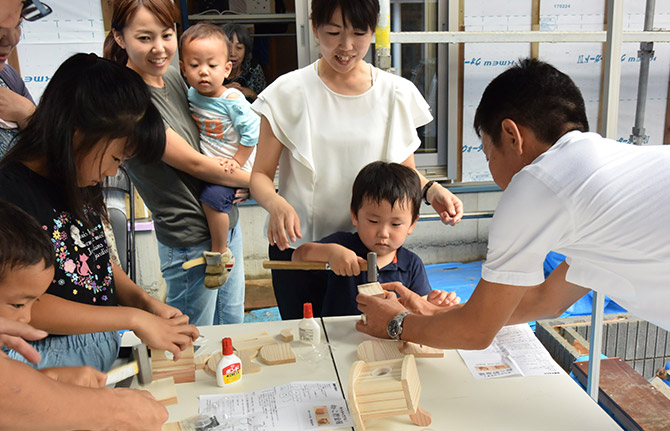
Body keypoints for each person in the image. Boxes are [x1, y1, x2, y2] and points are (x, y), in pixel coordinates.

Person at [356, 58, 670, 348]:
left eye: (488, 154)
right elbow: (546, 300)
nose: (492, 169)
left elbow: (476, 332)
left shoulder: (539, 184)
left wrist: (396, 323)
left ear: (511, 135)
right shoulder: (596, 175)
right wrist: (430, 313)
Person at [250, 0, 464, 319]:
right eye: (334, 32)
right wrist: (276, 204)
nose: (346, 46)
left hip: (372, 251)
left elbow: (405, 174)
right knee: (309, 342)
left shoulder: (395, 94)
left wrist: (432, 190)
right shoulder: (288, 92)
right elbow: (260, 175)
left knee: (370, 340)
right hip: (304, 250)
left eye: (359, 33)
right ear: (314, 28)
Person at [0, 53, 199, 371]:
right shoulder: (10, 194)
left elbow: (97, 260)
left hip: (96, 345)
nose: (111, 172)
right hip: (45, 359)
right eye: (116, 157)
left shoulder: (76, 179)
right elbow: (20, 308)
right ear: (79, 133)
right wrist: (132, 317)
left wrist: (143, 302)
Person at [104, 0, 248, 325]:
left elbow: (215, 126)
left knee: (233, 328)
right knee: (192, 342)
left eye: (166, 35)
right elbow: (194, 164)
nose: (159, 48)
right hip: (189, 241)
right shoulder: (129, 99)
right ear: (120, 37)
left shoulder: (174, 76)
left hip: (226, 221)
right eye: (144, 38)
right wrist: (257, 183)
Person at [292, 162, 460, 316]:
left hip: (389, 342)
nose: (383, 233)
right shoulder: (342, 246)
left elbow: (419, 307)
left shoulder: (411, 265)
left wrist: (432, 304)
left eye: (396, 224)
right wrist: (330, 253)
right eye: (373, 221)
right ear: (355, 215)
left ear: (412, 224)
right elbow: (298, 256)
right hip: (339, 339)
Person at [179, 23, 260, 288]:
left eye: (212, 66)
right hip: (214, 163)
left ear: (227, 69)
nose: (203, 72)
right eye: (195, 65)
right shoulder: (191, 94)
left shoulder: (232, 99)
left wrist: (238, 163)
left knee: (213, 200)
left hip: (232, 166)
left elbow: (252, 132)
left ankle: (219, 253)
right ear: (183, 68)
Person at [0, 0, 43, 156]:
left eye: (18, 25)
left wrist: (26, 113)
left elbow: (54, 152)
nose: (12, 40)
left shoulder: (8, 78)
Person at [222, 23, 266, 103]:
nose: (233, 53)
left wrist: (251, 94)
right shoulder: (213, 70)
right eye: (228, 48)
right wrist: (222, 91)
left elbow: (266, 104)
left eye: (239, 48)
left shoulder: (253, 68)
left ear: (246, 50)